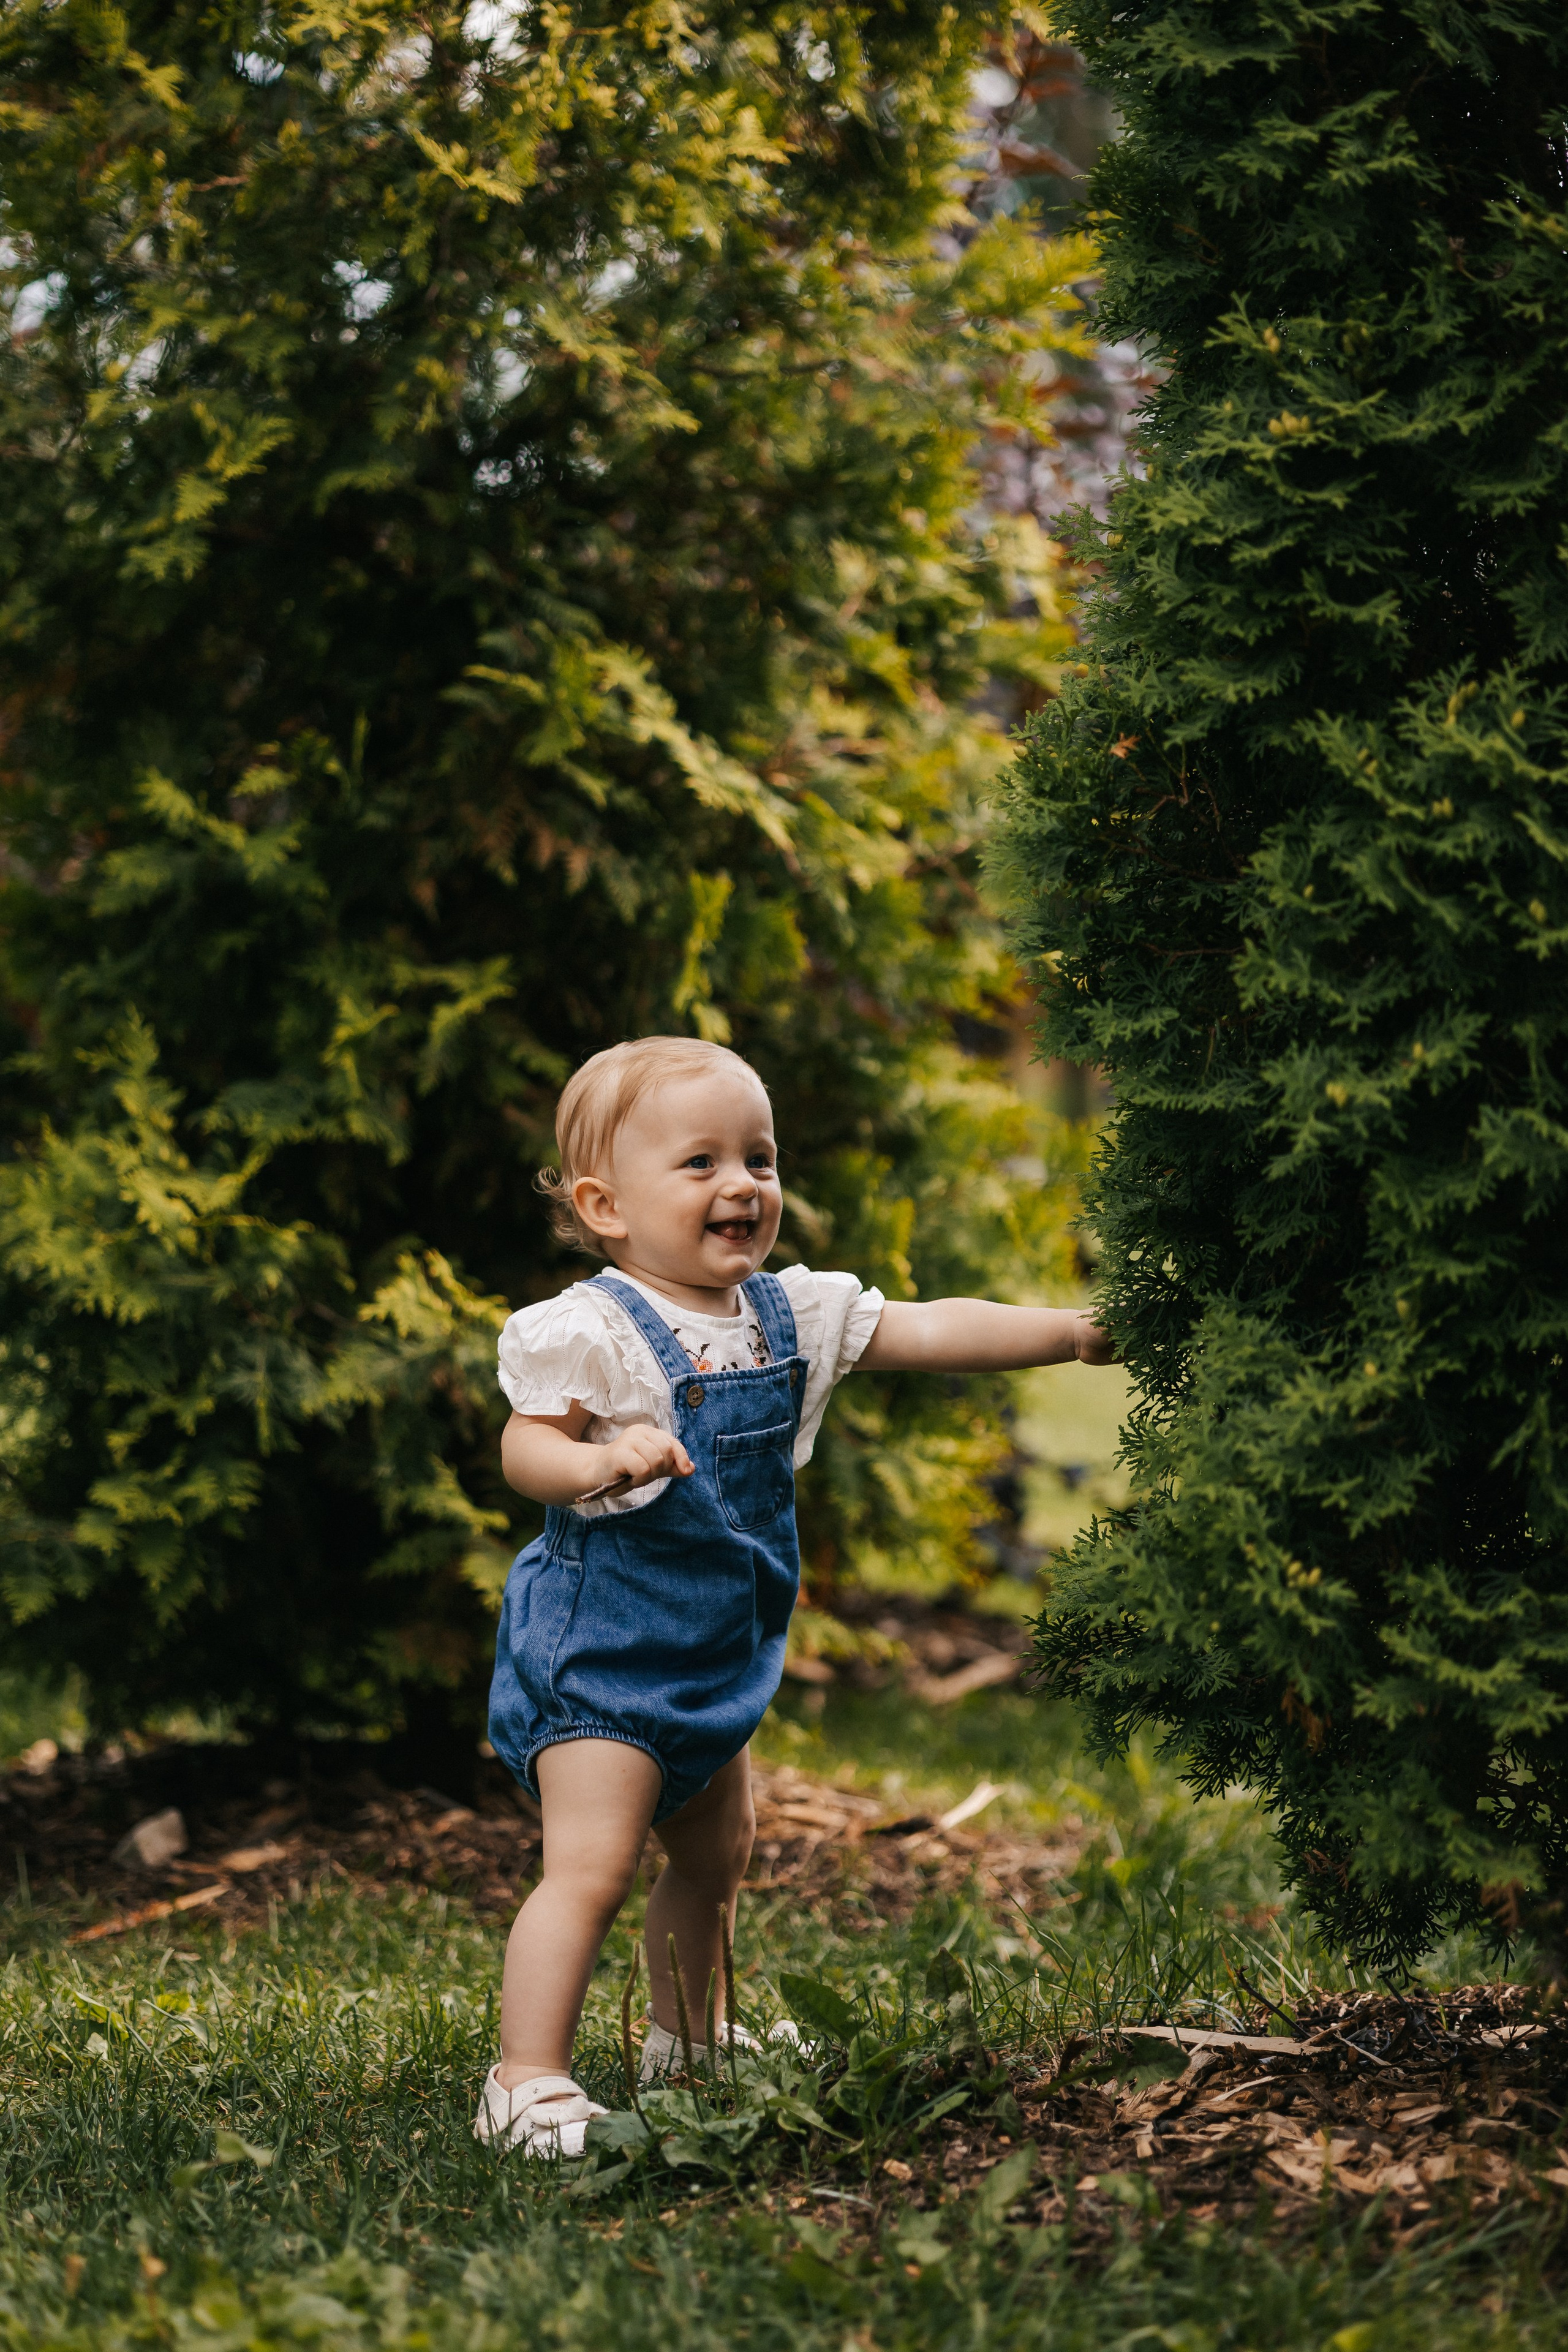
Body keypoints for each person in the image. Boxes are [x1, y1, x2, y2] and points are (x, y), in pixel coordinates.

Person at [474, 1036, 1114, 2156]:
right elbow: (526, 1449)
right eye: (701, 1163)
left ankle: (692, 2035)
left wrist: (1068, 1335)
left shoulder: (789, 1315)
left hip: (717, 1651)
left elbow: (925, 1326)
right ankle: (525, 2081)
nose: (743, 1184)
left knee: (718, 1856)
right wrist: (595, 1463)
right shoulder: (593, 1331)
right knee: (592, 1867)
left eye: (759, 1158)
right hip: (602, 1654)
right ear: (604, 1204)